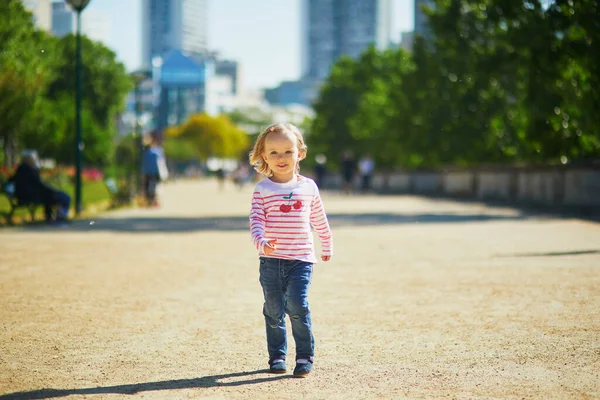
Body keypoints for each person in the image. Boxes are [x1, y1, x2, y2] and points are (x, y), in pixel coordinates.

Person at [248, 123, 333, 378]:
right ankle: (278, 355)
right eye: (273, 152)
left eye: (287, 151)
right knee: (273, 309)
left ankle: (305, 355)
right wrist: (261, 242)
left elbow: (319, 218)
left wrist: (326, 243)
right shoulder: (263, 189)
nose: (281, 158)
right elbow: (256, 222)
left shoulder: (309, 187)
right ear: (264, 156)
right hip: (271, 261)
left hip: (301, 260)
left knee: (298, 305)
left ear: (300, 153)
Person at [8, 150, 70, 223]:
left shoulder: (23, 169)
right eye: (33, 159)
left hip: (27, 195)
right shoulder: (28, 170)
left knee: (54, 196)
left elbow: (12, 180)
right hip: (29, 196)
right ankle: (58, 215)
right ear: (28, 159)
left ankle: (54, 215)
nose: (34, 160)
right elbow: (38, 184)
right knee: (61, 197)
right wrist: (52, 190)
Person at [142, 131, 168, 207]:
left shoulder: (158, 151)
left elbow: (162, 162)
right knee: (149, 187)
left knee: (154, 187)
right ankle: (151, 201)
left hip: (156, 172)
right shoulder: (148, 152)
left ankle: (154, 201)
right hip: (148, 172)